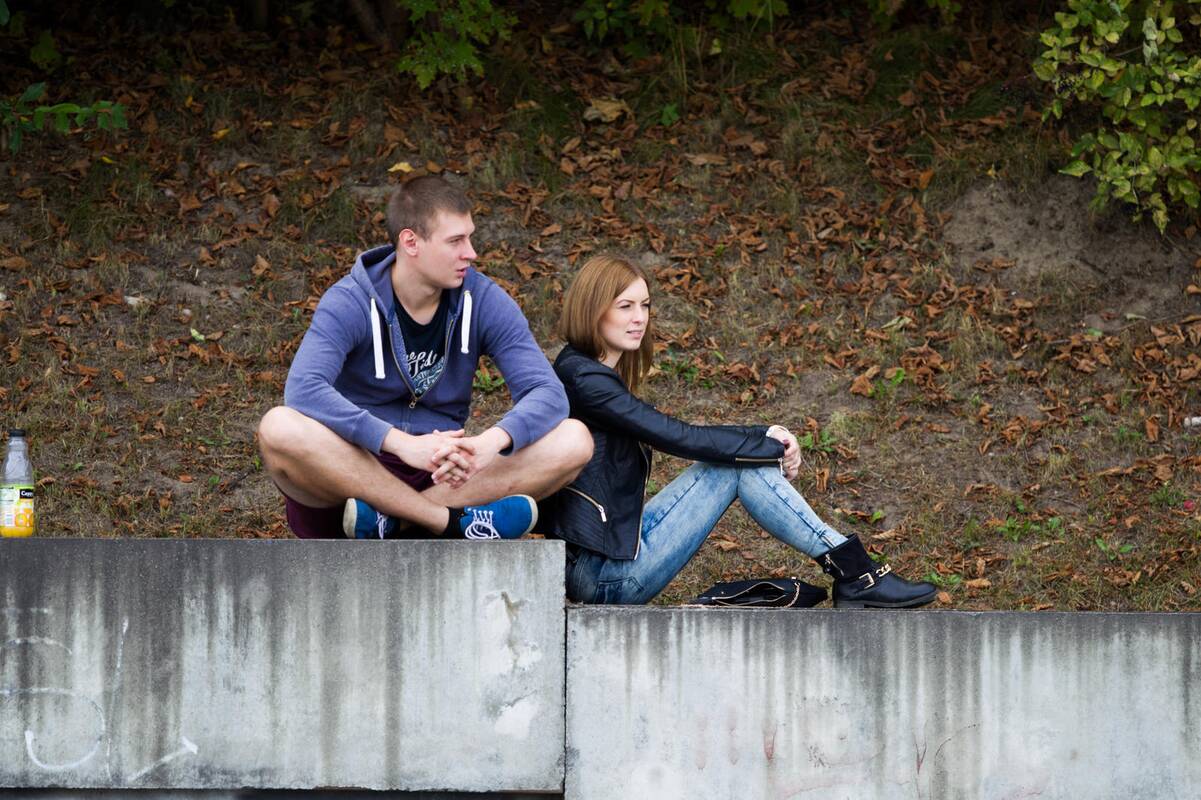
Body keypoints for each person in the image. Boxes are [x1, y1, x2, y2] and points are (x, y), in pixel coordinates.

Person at [543, 254, 937, 608]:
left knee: (735, 462)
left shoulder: (586, 371)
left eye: (645, 305)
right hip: (604, 577)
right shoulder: (584, 379)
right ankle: (857, 574)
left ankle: (855, 573)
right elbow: (677, 436)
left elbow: (681, 434)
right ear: (593, 309)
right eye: (625, 306)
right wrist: (768, 445)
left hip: (610, 555)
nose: (640, 318)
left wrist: (765, 435)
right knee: (733, 466)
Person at [258, 176, 592, 540]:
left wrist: (490, 443)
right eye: (455, 241)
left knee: (574, 440)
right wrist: (400, 444)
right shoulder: (350, 301)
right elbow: (304, 388)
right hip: (356, 471)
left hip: (443, 474)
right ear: (411, 242)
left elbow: (547, 392)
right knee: (279, 428)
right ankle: (445, 522)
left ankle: (394, 523)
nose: (471, 253)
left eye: (470, 237)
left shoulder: (482, 300)